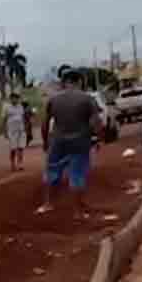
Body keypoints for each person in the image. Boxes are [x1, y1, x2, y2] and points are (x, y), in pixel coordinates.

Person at [38, 69, 103, 219]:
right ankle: (77, 212)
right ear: (79, 81)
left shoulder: (53, 100)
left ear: (64, 82)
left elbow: (44, 123)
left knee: (51, 172)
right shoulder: (87, 99)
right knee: (77, 174)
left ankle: (47, 204)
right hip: (80, 142)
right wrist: (98, 139)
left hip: (58, 141)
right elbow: (96, 122)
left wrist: (45, 142)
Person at [3, 93, 27, 171]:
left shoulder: (20, 107)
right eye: (13, 98)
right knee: (13, 148)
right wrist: (5, 131)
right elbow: (4, 120)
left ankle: (20, 163)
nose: (15, 100)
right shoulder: (6, 107)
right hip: (12, 131)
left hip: (21, 130)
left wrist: (25, 128)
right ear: (10, 99)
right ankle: (12, 164)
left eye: (16, 98)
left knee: (21, 148)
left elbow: (23, 117)